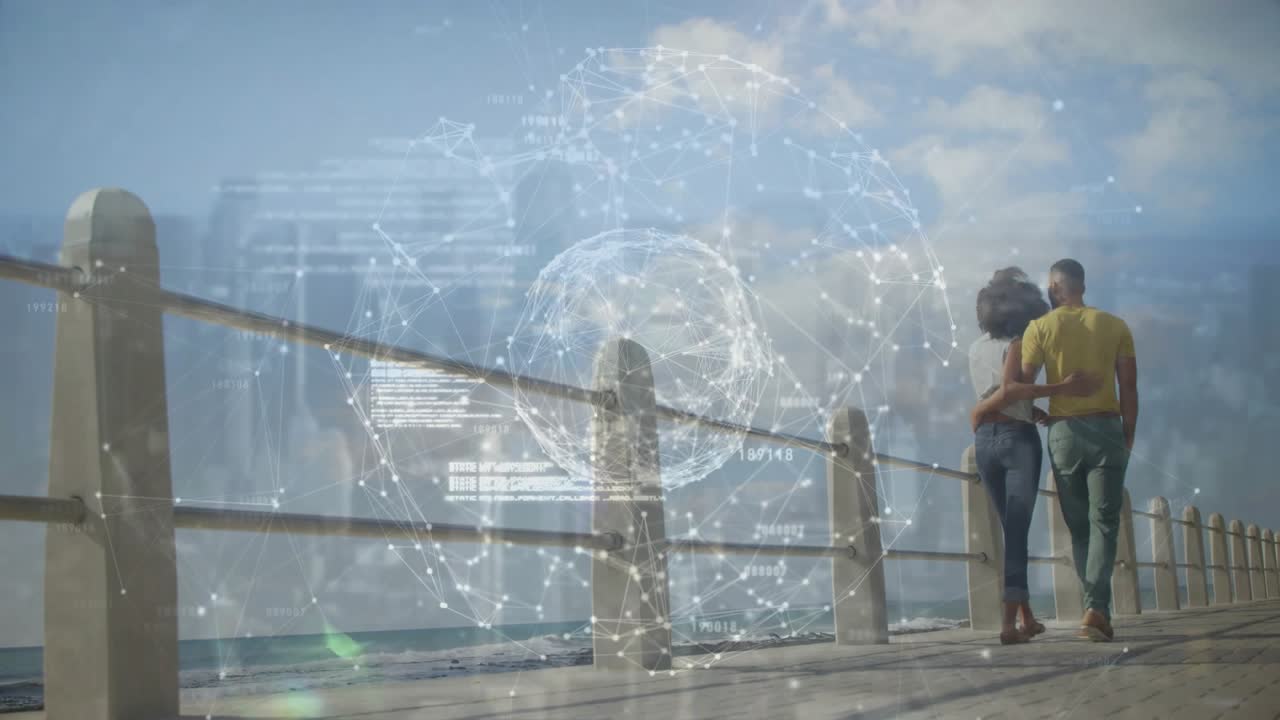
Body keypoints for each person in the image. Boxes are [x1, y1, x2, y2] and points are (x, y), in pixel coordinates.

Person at [967, 267, 1101, 645]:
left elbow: (994, 394)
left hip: (985, 442)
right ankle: (1009, 624)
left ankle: (1027, 618)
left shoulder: (976, 349)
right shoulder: (1020, 342)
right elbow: (1010, 390)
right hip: (1015, 441)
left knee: (1010, 528)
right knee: (1017, 533)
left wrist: (1026, 409)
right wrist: (1064, 387)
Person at [1020, 259, 1138, 642]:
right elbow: (1129, 390)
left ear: (1055, 288)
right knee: (1105, 522)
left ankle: (1095, 609)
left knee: (1080, 527)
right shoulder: (1116, 325)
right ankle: (1096, 611)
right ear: (1081, 285)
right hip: (1107, 428)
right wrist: (1128, 435)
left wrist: (1039, 407)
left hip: (1063, 433)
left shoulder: (1039, 328)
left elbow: (1022, 386)